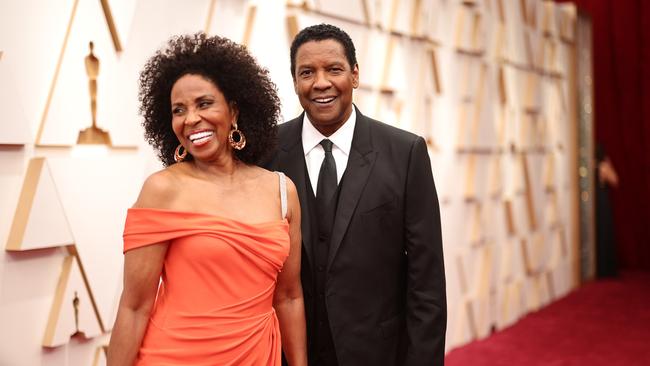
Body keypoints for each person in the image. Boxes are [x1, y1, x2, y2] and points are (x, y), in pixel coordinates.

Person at [107, 33, 307, 366]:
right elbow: (135, 307)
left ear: (234, 109)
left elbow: (288, 296)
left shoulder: (281, 192)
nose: (190, 119)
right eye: (178, 110)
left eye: (204, 103)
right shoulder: (162, 190)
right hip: (174, 356)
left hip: (255, 356)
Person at [263, 24, 447, 365]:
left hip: (376, 353)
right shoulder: (267, 153)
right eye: (307, 72)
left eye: (334, 69)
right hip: (287, 354)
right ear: (294, 82)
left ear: (355, 74)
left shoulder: (405, 153)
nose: (321, 83)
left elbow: (427, 283)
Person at [595, 143, 619, 278]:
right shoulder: (603, 166)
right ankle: (606, 268)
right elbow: (615, 181)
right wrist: (608, 164)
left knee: (599, 233)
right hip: (601, 201)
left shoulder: (587, 167)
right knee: (604, 231)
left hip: (593, 203)